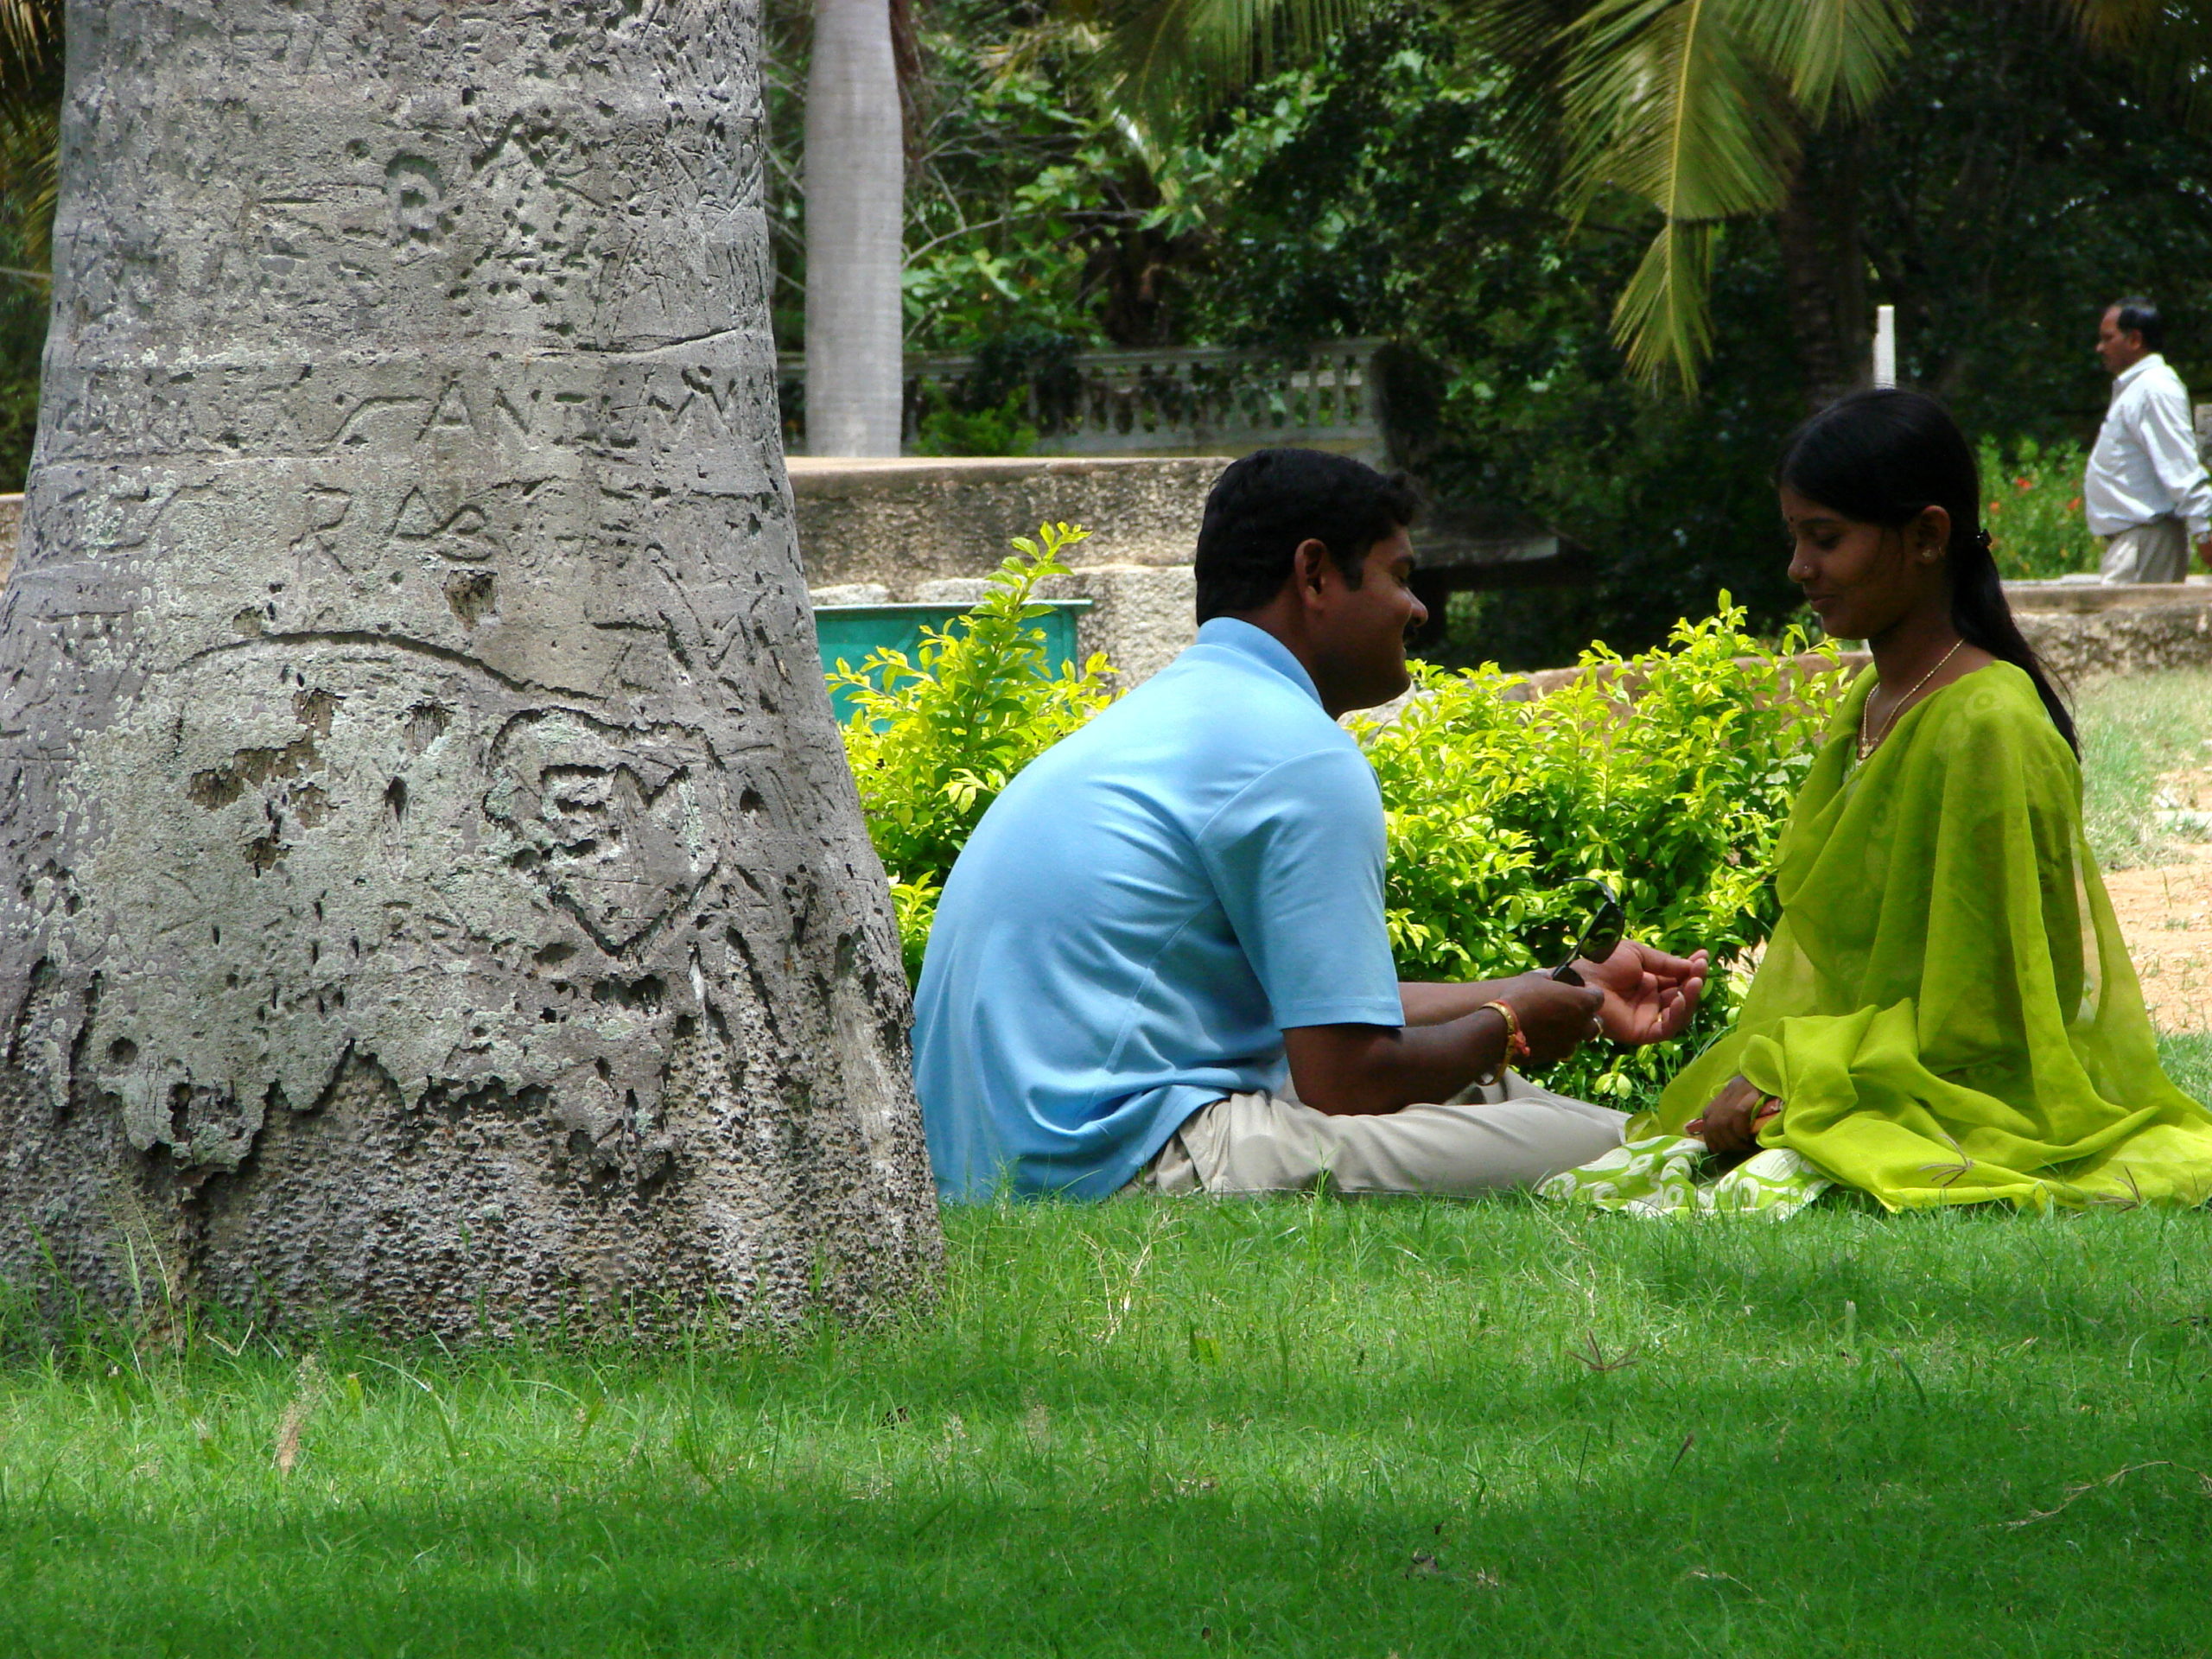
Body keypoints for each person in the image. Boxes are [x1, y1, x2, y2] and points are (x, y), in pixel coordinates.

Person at [912, 447, 1708, 1201]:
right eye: (1401, 577)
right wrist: (1507, 1022)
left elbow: (1333, 1021)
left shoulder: (1181, 715)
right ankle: (1706, 1150)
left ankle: (1689, 1136)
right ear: (1316, 573)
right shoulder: (1296, 754)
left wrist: (1544, 994)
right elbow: (1350, 1079)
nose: (1418, 609)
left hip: (1008, 1153)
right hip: (1104, 1164)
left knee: (1496, 1085)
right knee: (1616, 1153)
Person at [1545, 390, 2212, 1217]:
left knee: (1727, 1191)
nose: (1799, 568)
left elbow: (1992, 1011)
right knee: (1635, 1169)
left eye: (1826, 538)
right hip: (1859, 1073)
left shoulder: (1991, 723)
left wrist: (1802, 1075)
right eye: (1794, 538)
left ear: (1928, 536)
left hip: (1962, 1097)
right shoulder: (1869, 697)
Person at [2084, 297, 2212, 583]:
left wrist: (2205, 530)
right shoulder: (2140, 388)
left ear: (2135, 339)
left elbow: (2180, 465)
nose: (2100, 348)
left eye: (2108, 338)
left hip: (2147, 541)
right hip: (2138, 541)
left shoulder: (2155, 388)